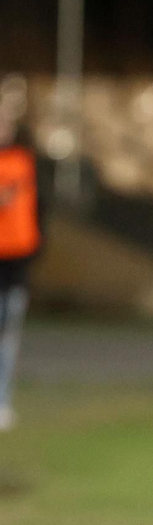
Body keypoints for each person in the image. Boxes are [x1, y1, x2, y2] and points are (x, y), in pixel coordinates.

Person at [0, 117, 44, 431]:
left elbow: (30, 207)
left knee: (8, 338)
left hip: (14, 264)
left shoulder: (22, 162)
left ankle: (2, 401)